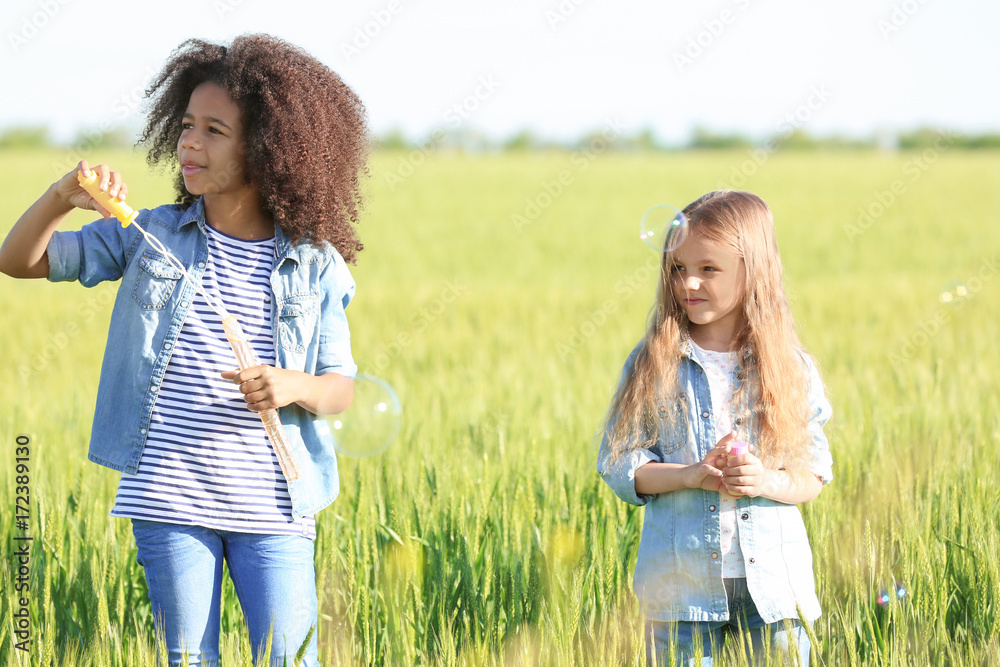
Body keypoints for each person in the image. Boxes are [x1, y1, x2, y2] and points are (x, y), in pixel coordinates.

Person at [0, 34, 369, 666]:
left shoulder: (313, 264)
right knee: (189, 660)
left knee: (291, 658)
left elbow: (341, 387)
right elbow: (19, 260)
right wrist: (62, 197)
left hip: (275, 504)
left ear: (266, 149)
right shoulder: (150, 235)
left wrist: (292, 386)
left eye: (215, 131)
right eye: (187, 125)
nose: (189, 144)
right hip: (169, 496)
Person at [596, 190, 833, 666]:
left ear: (753, 271)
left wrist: (765, 481)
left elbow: (814, 474)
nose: (690, 283)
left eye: (709, 269)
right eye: (679, 269)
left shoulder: (790, 368)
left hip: (775, 592)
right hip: (678, 591)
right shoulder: (653, 364)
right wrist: (689, 474)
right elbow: (619, 465)